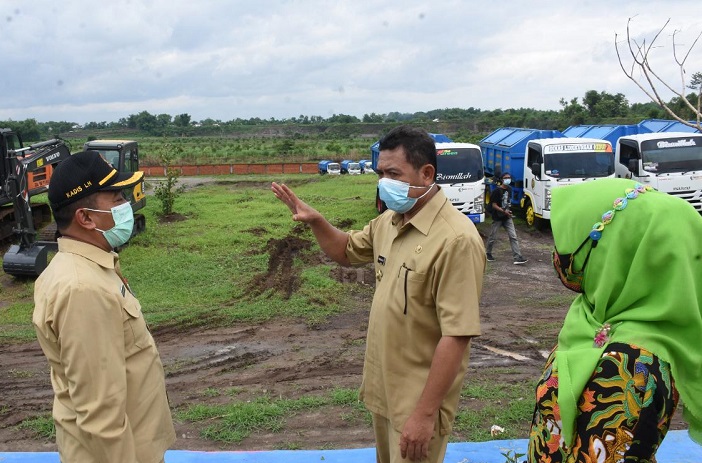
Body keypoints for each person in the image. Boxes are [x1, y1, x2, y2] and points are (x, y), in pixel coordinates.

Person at [272, 125, 485, 463]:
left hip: (417, 402)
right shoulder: (390, 220)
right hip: (385, 392)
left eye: (393, 174)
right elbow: (346, 250)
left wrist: (424, 415)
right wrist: (317, 221)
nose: (384, 182)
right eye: (380, 173)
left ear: (426, 173)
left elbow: (456, 335)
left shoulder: (457, 240)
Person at [528, 178, 702, 461]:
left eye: (572, 248)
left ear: (620, 250)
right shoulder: (595, 316)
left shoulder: (631, 365)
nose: (559, 257)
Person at [33, 150, 176, 463]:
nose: (126, 204)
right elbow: (100, 414)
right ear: (85, 218)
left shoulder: (87, 268)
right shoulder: (82, 290)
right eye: (117, 198)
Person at [485, 172, 527, 264]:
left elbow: (508, 202)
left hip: (507, 217)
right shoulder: (496, 191)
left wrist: (509, 211)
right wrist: (503, 211)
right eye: (506, 178)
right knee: (493, 237)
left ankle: (517, 257)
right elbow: (494, 205)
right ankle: (488, 253)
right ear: (502, 179)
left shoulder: (510, 189)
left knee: (513, 236)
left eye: (509, 177)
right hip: (497, 217)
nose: (508, 179)